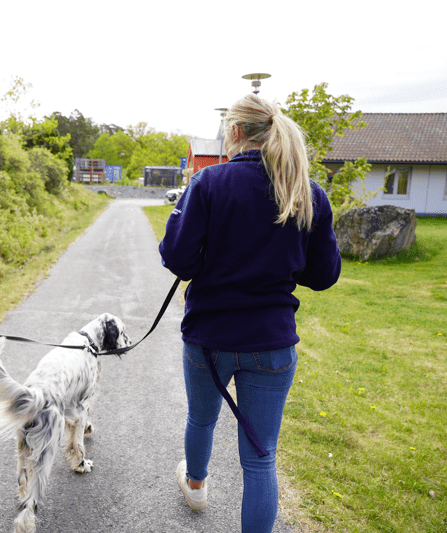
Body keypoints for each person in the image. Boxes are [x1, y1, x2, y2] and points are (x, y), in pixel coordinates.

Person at [159, 93, 341, 532]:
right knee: (261, 460)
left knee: (201, 417)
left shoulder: (208, 184)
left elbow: (178, 259)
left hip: (208, 339)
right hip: (272, 342)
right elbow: (324, 274)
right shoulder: (306, 192)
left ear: (236, 132)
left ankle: (196, 485)